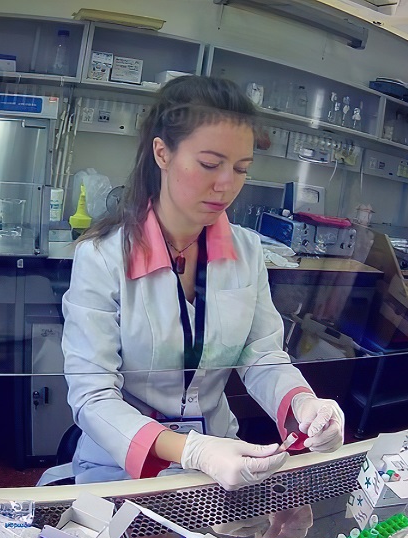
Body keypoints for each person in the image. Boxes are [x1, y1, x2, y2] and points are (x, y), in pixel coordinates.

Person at [61, 75, 344, 490]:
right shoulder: (102, 256)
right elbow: (92, 395)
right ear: (162, 153)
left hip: (222, 451)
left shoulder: (246, 252)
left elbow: (260, 355)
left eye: (241, 169)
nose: (226, 184)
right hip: (124, 463)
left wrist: (303, 404)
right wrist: (192, 450)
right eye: (210, 164)